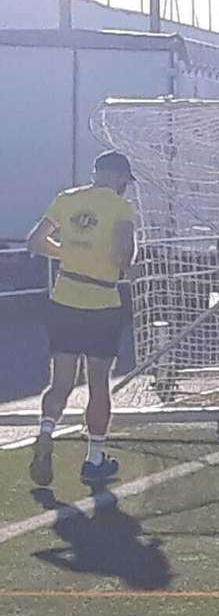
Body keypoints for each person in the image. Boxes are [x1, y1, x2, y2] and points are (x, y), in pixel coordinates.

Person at [25, 150, 140, 486]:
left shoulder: (67, 199)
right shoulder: (120, 207)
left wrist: (70, 253)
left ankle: (46, 430)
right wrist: (127, 266)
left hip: (65, 297)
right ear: (119, 178)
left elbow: (35, 242)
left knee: (60, 380)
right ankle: (95, 458)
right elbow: (124, 248)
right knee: (98, 384)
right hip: (102, 302)